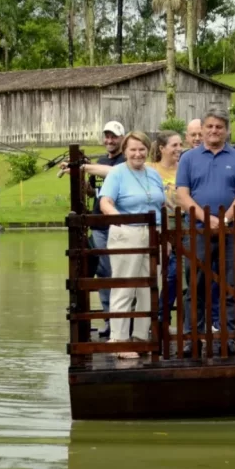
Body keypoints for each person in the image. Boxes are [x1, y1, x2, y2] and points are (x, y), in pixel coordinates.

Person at [176, 107, 235, 341]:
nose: (214, 131)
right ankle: (193, 334)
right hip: (197, 230)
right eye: (209, 126)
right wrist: (207, 218)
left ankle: (229, 335)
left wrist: (225, 219)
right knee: (196, 284)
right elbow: (182, 195)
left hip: (230, 231)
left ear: (227, 130)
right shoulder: (188, 158)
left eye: (219, 127)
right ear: (203, 130)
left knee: (229, 284)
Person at [97, 131, 166, 359]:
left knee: (149, 287)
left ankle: (140, 338)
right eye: (133, 149)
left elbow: (161, 202)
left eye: (141, 149)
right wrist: (120, 222)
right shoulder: (116, 173)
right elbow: (105, 201)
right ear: (125, 151)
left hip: (153, 233)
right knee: (125, 287)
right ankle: (119, 339)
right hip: (127, 232)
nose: (137, 153)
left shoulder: (153, 174)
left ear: (148, 150)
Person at [60, 121, 125, 338]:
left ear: (122, 138)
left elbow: (115, 174)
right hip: (99, 225)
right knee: (104, 273)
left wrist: (84, 166)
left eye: (114, 136)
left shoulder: (125, 161)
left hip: (119, 225)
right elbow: (93, 193)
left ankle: (125, 320)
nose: (109, 140)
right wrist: (80, 179)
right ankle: (109, 319)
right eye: (106, 136)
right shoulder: (101, 161)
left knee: (123, 273)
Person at [148, 130, 183, 323]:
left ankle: (163, 315)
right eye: (174, 145)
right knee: (155, 272)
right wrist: (85, 167)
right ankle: (153, 316)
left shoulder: (185, 167)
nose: (179, 149)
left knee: (176, 273)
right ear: (162, 148)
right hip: (159, 225)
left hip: (182, 224)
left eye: (180, 145)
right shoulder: (150, 168)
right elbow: (117, 171)